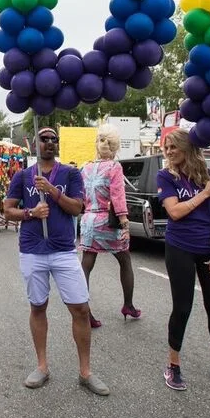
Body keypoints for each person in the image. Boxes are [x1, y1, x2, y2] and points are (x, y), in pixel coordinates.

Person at [2, 126, 108, 396]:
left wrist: (52, 191)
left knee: (81, 309)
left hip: (63, 250)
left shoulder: (70, 173)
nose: (49, 143)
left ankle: (85, 372)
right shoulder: (24, 175)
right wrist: (30, 213)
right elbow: (7, 210)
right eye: (44, 139)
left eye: (53, 140)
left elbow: (77, 208)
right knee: (38, 306)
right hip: (32, 250)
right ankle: (42, 366)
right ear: (35, 144)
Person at [157, 129, 210, 391]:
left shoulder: (209, 177)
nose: (169, 152)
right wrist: (203, 194)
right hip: (180, 247)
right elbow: (174, 212)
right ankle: (173, 365)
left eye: (174, 146)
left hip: (209, 249)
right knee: (182, 307)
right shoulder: (166, 176)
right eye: (166, 147)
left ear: (187, 147)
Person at [79, 125, 138, 328]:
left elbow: (82, 197)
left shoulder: (85, 167)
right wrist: (124, 221)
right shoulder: (114, 167)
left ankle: (84, 311)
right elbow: (117, 196)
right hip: (107, 221)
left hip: (88, 220)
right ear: (114, 149)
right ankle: (128, 305)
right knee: (125, 259)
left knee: (86, 265)